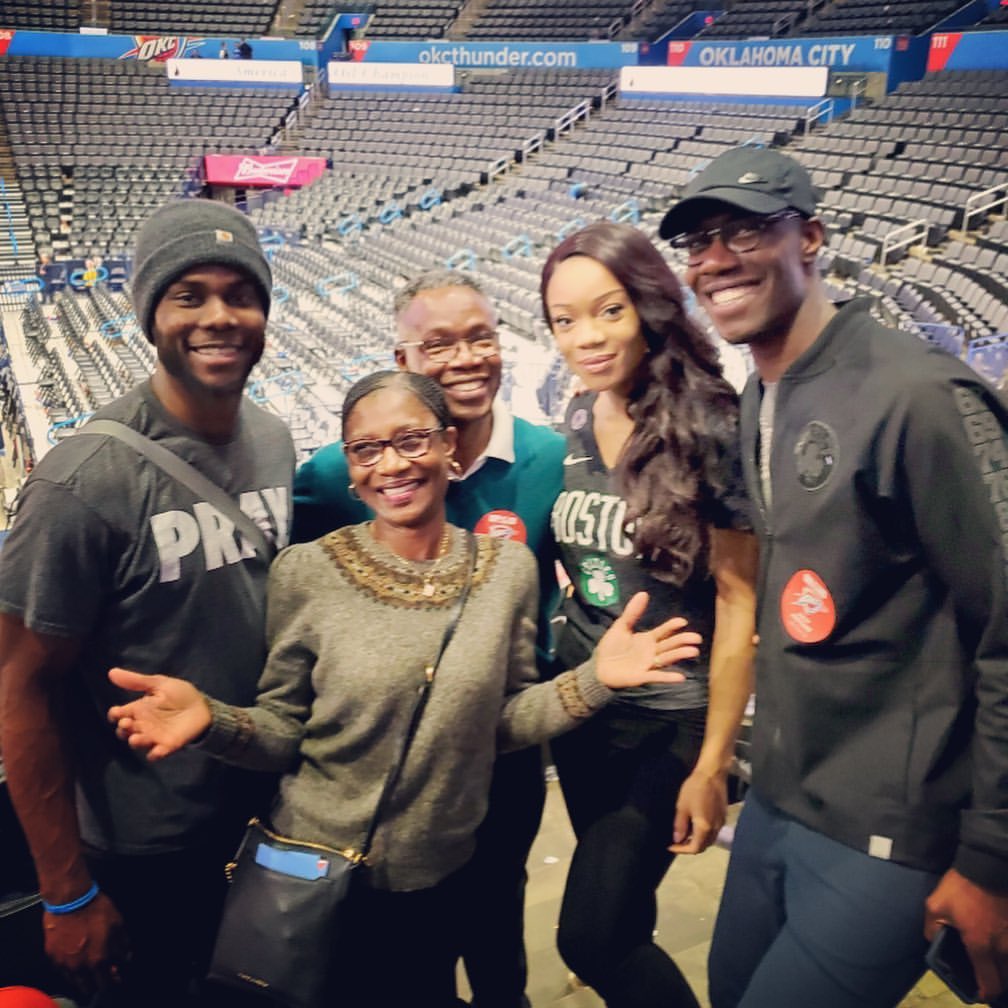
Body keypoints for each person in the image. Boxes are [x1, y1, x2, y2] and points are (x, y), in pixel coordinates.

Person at [105, 369, 704, 1008]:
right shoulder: (308, 572)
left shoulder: (507, 572)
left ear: (448, 445)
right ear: (348, 464)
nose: (392, 464)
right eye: (367, 448)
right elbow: (284, 732)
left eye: (412, 440)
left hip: (439, 881)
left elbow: (499, 723)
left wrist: (596, 680)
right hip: (315, 876)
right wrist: (213, 721)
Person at [658, 144, 1008, 1008]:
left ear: (810, 237)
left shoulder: (920, 396)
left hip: (892, 827)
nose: (715, 261)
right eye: (698, 242)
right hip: (780, 800)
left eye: (743, 231)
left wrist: (993, 858)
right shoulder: (761, 400)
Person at [0, 198, 295, 1008]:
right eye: (188, 294)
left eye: (241, 293)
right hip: (145, 850)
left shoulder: (273, 440)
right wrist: (64, 893)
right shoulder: (80, 482)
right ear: (148, 314)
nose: (220, 317)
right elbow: (20, 689)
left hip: (260, 815)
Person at [293, 269, 566, 1008]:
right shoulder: (329, 476)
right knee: (417, 945)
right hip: (401, 762)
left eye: (480, 336)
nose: (466, 358)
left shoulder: (549, 459)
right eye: (438, 343)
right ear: (403, 358)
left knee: (496, 920)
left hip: (505, 742)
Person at [540, 221, 757, 1008]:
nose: (584, 338)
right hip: (592, 707)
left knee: (591, 936)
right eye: (564, 320)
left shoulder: (710, 425)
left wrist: (712, 764)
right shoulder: (574, 419)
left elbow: (740, 602)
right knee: (625, 915)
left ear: (649, 309)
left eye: (608, 311)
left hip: (670, 723)